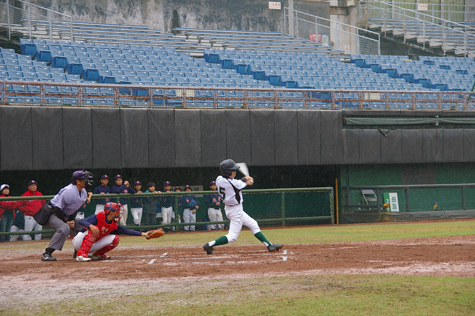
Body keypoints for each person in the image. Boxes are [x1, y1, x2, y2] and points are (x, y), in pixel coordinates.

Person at [203, 159, 283, 255]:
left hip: (230, 208)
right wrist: (248, 179)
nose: (235, 172)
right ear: (227, 172)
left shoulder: (219, 179)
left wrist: (245, 179)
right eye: (233, 170)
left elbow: (238, 181)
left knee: (253, 224)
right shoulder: (235, 184)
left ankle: (269, 245)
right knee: (232, 237)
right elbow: (244, 183)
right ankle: (210, 245)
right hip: (235, 210)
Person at [72, 202, 160, 261]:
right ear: (110, 212)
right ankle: (81, 255)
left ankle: (98, 255)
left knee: (115, 238)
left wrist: (144, 234)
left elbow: (126, 231)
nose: (117, 213)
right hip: (78, 241)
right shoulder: (99, 216)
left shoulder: (114, 224)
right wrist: (91, 226)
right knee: (95, 229)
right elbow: (81, 221)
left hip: (91, 244)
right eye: (116, 211)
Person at [40, 170, 94, 261]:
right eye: (85, 179)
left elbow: (75, 208)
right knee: (64, 228)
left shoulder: (83, 191)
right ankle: (47, 253)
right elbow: (57, 208)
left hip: (66, 215)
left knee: (84, 227)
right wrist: (66, 222)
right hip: (53, 213)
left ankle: (78, 252)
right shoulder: (68, 191)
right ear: (78, 181)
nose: (88, 182)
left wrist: (72, 220)